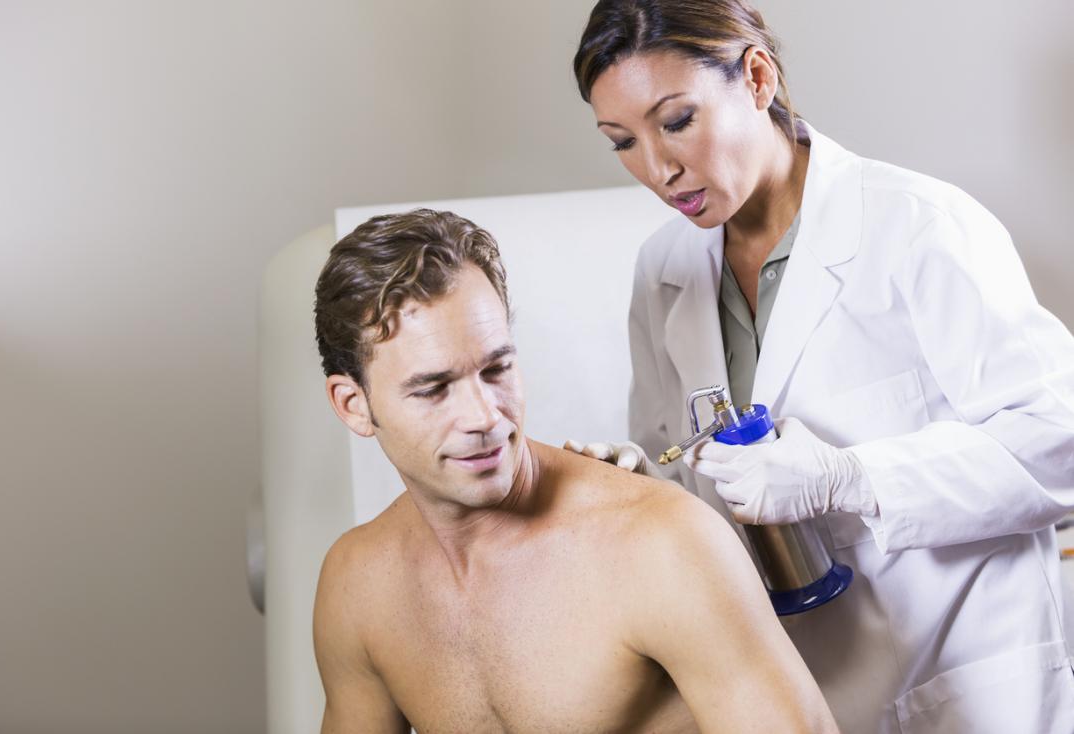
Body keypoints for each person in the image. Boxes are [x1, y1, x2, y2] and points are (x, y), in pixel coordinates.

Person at [566, 1, 1074, 732]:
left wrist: (851, 477)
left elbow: (1057, 439)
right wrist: (644, 491)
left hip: (964, 683)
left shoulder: (916, 225)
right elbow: (684, 471)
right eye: (622, 141)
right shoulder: (663, 271)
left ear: (758, 76)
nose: (657, 168)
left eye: (676, 121)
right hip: (799, 694)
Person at [310, 208, 837, 733]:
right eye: (433, 389)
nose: (485, 417)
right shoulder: (358, 587)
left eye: (497, 369)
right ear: (354, 405)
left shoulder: (661, 544)